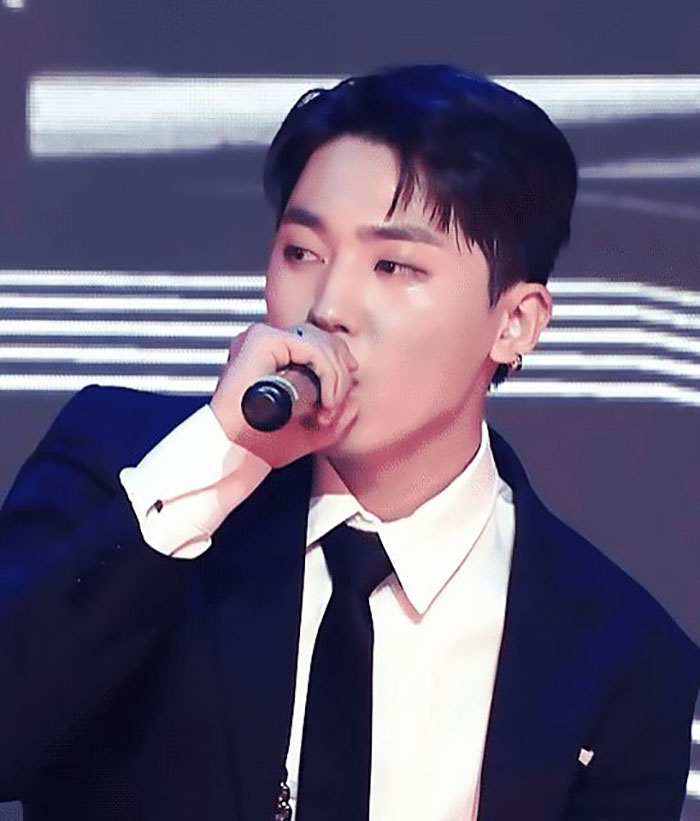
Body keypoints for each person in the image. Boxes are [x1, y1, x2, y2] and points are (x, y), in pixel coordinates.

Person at [0, 64, 697, 821]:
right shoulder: (129, 474)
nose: (328, 307)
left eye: (393, 265)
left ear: (515, 323)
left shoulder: (624, 659)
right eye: (302, 253)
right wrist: (218, 461)